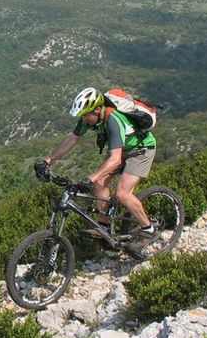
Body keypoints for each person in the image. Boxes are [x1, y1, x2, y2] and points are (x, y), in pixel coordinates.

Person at [35, 87, 157, 235]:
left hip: (141, 150)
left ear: (98, 110)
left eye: (86, 115)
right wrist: (48, 161)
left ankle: (149, 229)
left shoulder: (113, 120)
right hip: (121, 149)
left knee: (122, 194)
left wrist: (89, 179)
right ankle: (103, 228)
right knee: (100, 184)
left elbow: (115, 159)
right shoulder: (89, 118)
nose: (84, 118)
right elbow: (72, 140)